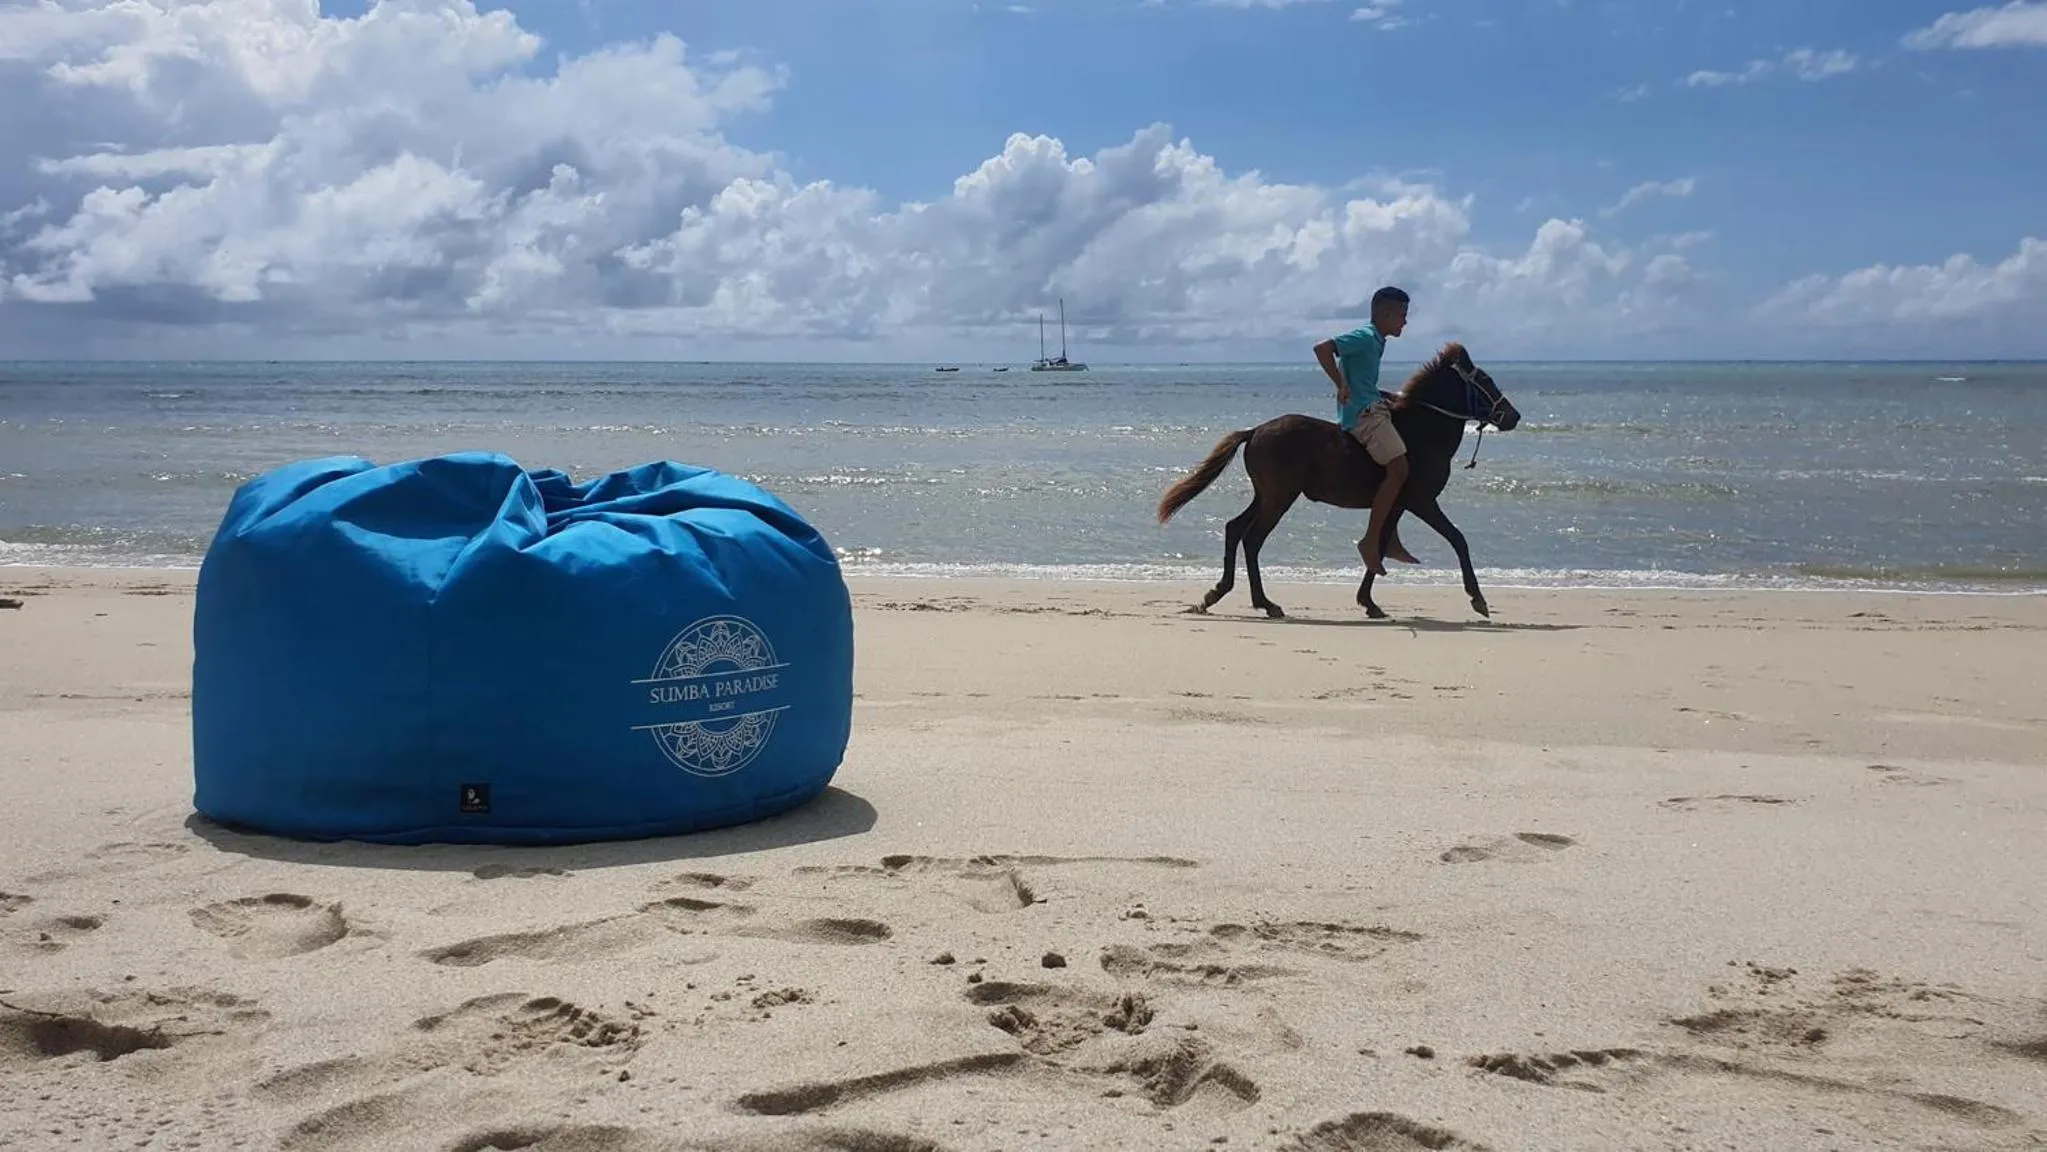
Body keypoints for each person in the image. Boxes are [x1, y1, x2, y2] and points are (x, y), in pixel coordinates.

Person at [1314, 285, 1417, 576]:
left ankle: (1391, 539)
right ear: (1384, 315)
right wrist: (1340, 384)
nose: (1405, 322)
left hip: (1373, 405)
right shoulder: (1364, 336)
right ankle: (1371, 541)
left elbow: (1362, 381)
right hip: (1363, 415)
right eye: (1402, 315)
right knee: (1399, 469)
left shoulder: (1378, 341)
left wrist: (1388, 395)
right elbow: (1322, 349)